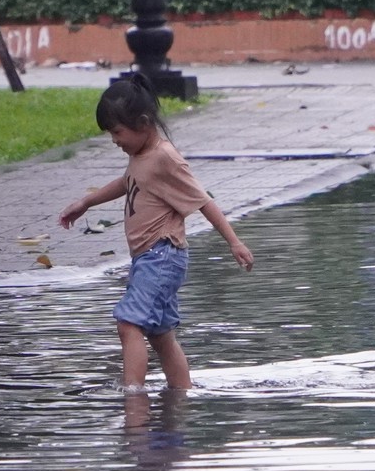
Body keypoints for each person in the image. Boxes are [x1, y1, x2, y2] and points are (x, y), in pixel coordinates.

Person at [60, 77, 255, 394]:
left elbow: (202, 200)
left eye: (117, 132)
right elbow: (127, 181)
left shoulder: (166, 158)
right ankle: (182, 391)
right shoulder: (140, 155)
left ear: (144, 123)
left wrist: (234, 242)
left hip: (161, 255)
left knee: (128, 324)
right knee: (161, 334)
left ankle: (133, 394)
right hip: (151, 258)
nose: (114, 140)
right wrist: (86, 202)